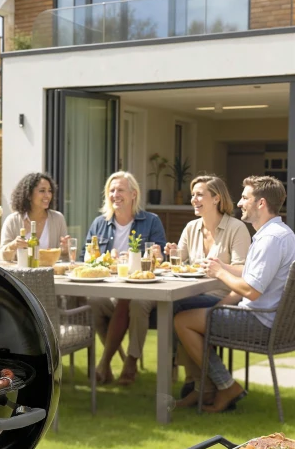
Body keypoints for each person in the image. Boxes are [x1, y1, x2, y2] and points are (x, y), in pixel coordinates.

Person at [175, 175, 295, 412]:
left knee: (182, 320)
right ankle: (205, 387)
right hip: (274, 322)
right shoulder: (283, 233)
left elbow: (251, 291)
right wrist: (222, 268)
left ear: (260, 203)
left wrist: (220, 272)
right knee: (186, 308)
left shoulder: (269, 239)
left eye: (244, 197)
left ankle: (224, 385)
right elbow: (252, 278)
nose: (239, 203)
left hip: (259, 322)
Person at [166, 175, 251, 401]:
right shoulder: (191, 227)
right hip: (192, 294)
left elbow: (245, 270)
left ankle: (198, 383)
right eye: (193, 195)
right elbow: (178, 263)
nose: (194, 199)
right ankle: (204, 384)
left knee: (175, 309)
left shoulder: (236, 228)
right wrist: (167, 254)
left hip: (224, 296)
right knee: (173, 307)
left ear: (216, 198)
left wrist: (221, 266)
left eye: (199, 194)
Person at [85, 172, 167, 385]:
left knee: (130, 300)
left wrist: (157, 255)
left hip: (140, 290)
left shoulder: (151, 222)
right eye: (111, 191)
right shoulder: (99, 223)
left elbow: (161, 260)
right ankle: (110, 360)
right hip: (108, 288)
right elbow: (86, 258)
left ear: (133, 194)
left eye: (120, 190)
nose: (115, 194)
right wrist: (102, 258)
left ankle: (122, 363)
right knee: (93, 301)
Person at [0, 172, 70, 259]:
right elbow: (2, 257)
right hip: (19, 272)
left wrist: (65, 251)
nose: (47, 195)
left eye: (50, 191)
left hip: (51, 272)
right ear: (29, 195)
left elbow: (64, 259)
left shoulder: (58, 219)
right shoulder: (13, 221)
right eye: (42, 191)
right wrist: (13, 245)